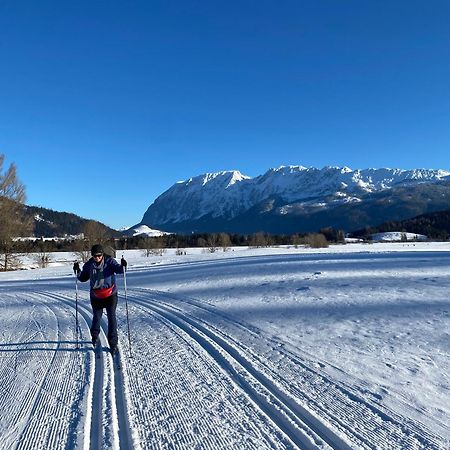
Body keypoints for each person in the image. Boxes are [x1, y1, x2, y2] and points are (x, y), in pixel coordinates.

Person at [73, 244, 127, 354]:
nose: (97, 257)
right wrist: (77, 271)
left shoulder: (109, 261)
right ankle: (94, 336)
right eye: (95, 256)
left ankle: (113, 343)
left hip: (110, 294)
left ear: (102, 254)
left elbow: (120, 270)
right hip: (96, 296)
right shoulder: (89, 265)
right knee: (97, 317)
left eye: (99, 255)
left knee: (112, 317)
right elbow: (83, 278)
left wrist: (123, 266)